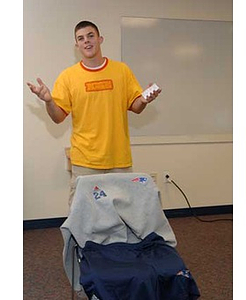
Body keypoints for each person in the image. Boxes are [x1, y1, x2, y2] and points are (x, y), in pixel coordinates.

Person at [27, 20, 161, 205]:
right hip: (85, 162)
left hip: (119, 160)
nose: (87, 41)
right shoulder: (68, 77)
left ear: (100, 39)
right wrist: (49, 101)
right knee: (83, 218)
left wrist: (144, 100)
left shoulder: (121, 71)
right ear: (77, 45)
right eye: (81, 38)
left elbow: (136, 107)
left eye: (91, 36)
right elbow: (57, 118)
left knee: (123, 215)